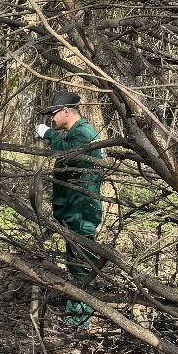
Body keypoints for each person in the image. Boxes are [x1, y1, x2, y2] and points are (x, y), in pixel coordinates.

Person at [36, 91, 105, 328]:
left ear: (66, 112)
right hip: (73, 209)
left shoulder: (83, 135)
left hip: (81, 210)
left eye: (53, 115)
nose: (51, 120)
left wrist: (49, 135)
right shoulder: (77, 133)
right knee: (75, 260)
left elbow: (70, 155)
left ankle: (79, 319)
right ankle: (77, 313)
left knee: (81, 263)